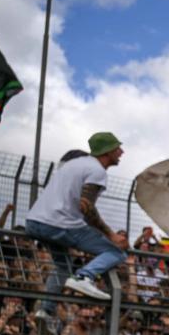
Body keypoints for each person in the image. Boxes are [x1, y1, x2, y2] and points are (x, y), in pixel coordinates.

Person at [24, 132, 129, 312]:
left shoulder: (74, 164)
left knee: (63, 266)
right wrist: (111, 235)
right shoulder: (97, 170)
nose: (121, 152)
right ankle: (83, 277)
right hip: (59, 225)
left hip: (34, 222)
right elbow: (86, 207)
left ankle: (45, 312)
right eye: (117, 148)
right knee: (117, 252)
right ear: (107, 151)